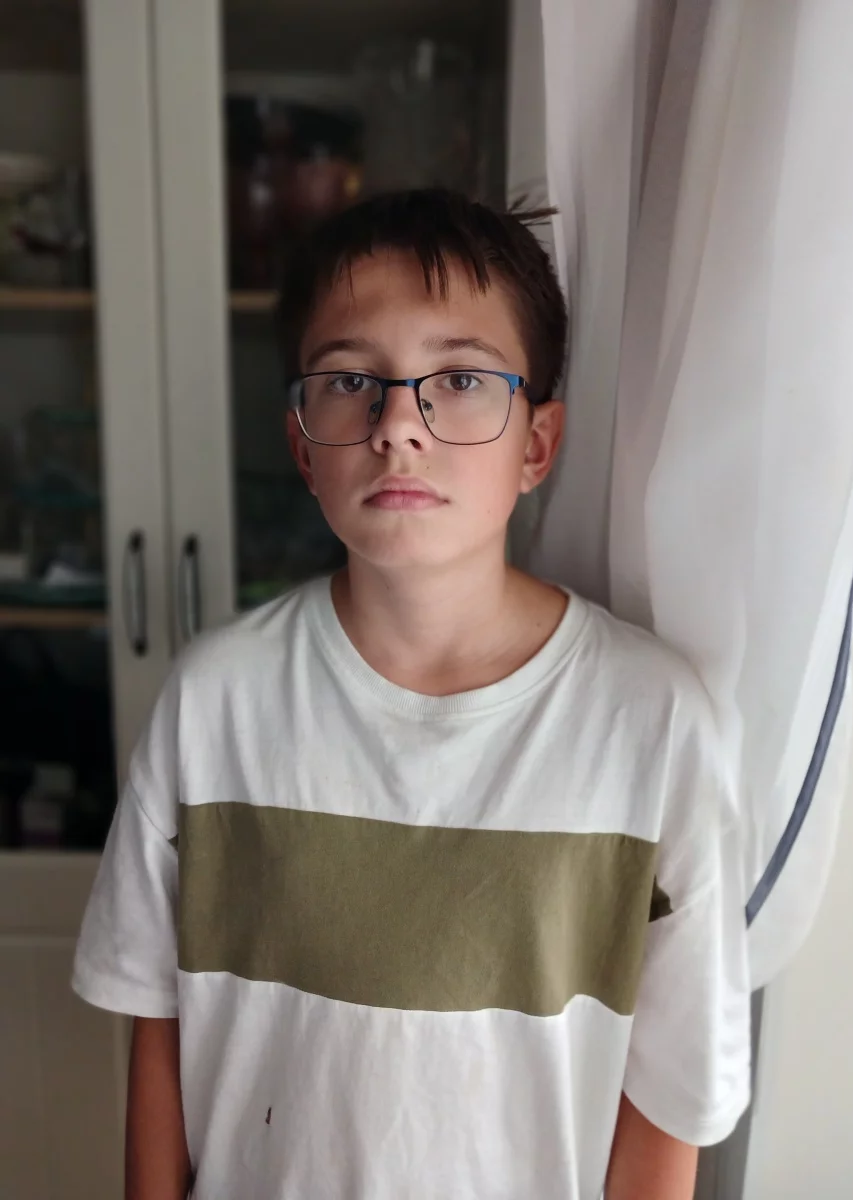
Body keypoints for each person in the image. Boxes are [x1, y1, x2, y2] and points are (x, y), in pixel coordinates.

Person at [72, 189, 750, 1199]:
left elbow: (668, 1106)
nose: (398, 425)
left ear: (536, 443)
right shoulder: (216, 703)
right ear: (303, 443)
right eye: (352, 380)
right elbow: (158, 1029)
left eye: (461, 379)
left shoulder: (653, 725)